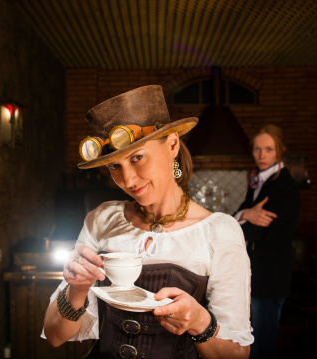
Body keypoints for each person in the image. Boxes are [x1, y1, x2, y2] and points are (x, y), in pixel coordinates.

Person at [43, 85, 253, 358]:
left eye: (137, 157)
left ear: (173, 144)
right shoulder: (102, 220)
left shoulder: (219, 233)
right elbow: (54, 335)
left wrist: (200, 322)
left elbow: (238, 355)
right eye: (114, 166)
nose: (128, 180)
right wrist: (77, 289)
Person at [234, 124, 300, 359]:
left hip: (270, 277)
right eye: (257, 149)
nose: (261, 156)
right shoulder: (259, 181)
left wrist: (239, 223)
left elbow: (263, 232)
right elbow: (242, 214)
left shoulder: (284, 186)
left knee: (261, 347)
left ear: (281, 149)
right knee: (251, 343)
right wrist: (246, 214)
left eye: (269, 149)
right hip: (256, 276)